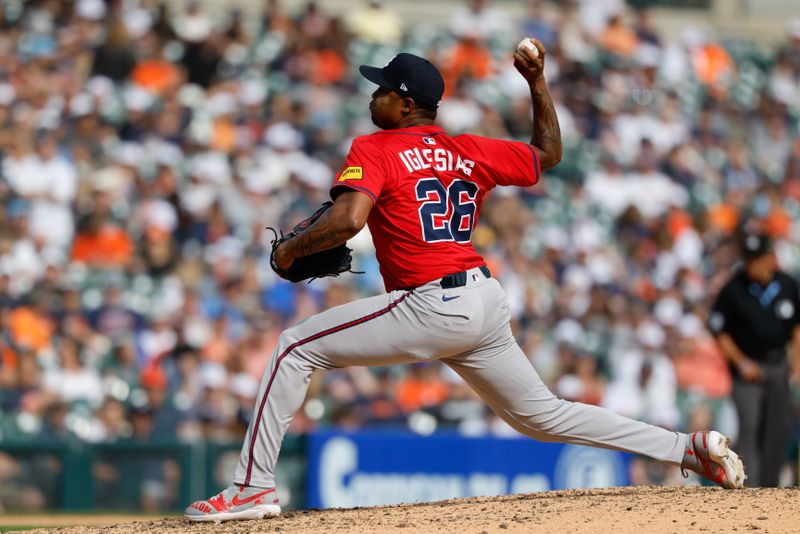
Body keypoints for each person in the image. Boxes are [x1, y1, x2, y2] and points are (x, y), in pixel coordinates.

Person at [184, 41, 745, 522]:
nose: (372, 96)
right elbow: (548, 152)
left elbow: (349, 220)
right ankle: (687, 448)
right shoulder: (466, 149)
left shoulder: (374, 147)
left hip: (430, 303)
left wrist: (291, 249)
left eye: (381, 89)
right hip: (483, 299)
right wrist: (537, 82)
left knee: (292, 348)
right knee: (543, 414)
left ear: (405, 103)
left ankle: (252, 487)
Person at [708, 232, 800, 486]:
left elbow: (796, 328)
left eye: (757, 259)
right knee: (749, 425)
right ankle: (749, 486)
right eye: (748, 260)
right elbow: (718, 329)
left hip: (778, 365)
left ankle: (770, 487)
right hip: (747, 370)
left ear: (770, 258)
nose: (753, 266)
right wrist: (741, 362)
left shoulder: (786, 284)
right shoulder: (734, 288)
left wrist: (796, 360)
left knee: (778, 428)